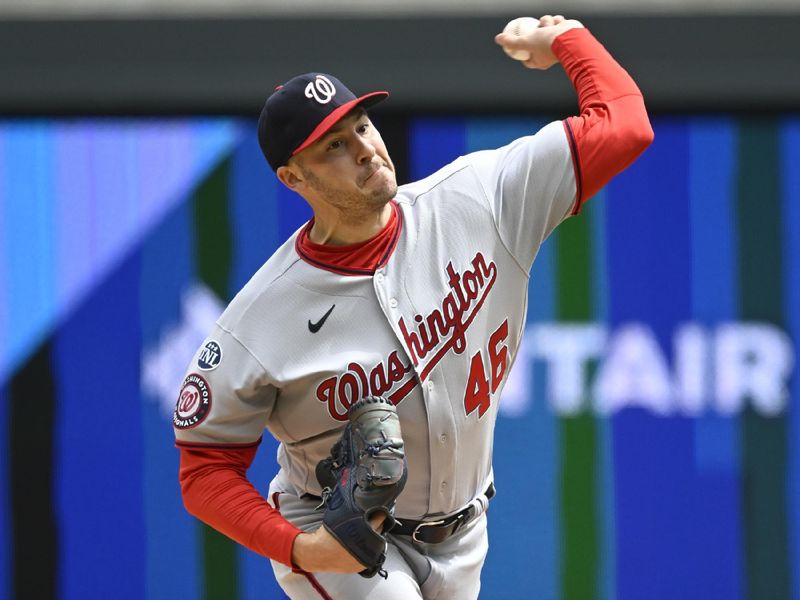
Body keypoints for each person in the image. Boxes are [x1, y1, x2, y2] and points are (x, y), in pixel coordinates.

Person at [174, 14, 653, 600]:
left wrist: (565, 39)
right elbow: (204, 470)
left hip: (466, 532)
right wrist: (299, 548)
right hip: (340, 534)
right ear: (292, 176)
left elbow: (625, 127)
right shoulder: (260, 319)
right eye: (335, 146)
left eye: (362, 125)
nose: (365, 150)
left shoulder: (480, 197)